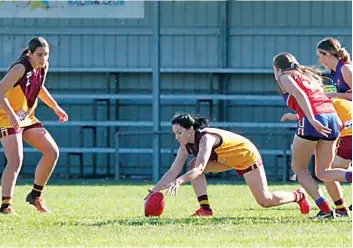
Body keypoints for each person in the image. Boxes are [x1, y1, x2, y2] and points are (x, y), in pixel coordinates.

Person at [146, 113, 311, 217]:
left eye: (179, 132)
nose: (176, 136)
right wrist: (155, 190)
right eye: (174, 133)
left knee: (265, 201)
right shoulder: (185, 145)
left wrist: (180, 181)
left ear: (190, 130)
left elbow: (201, 168)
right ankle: (205, 209)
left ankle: (298, 195)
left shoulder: (206, 138)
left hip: (247, 157)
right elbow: (173, 170)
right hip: (227, 159)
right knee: (192, 164)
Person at [273, 52, 351, 219]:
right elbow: (321, 100)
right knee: (324, 173)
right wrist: (332, 119)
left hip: (314, 119)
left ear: (277, 68)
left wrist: (312, 119)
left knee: (299, 169)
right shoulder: (308, 76)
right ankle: (342, 209)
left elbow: (301, 96)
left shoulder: (284, 77)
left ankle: (325, 210)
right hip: (331, 116)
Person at [0, 37, 68, 215]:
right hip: (6, 115)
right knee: (15, 160)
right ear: (29, 53)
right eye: (39, 54)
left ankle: (35, 196)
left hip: (26, 116)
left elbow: (39, 88)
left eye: (46, 54)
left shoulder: (43, 66)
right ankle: (6, 205)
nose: (43, 58)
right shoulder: (20, 67)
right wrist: (11, 114)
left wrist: (56, 107)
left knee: (52, 152)